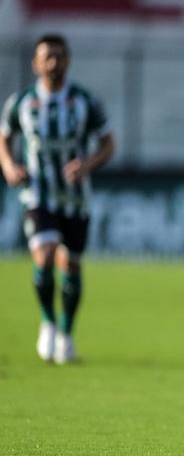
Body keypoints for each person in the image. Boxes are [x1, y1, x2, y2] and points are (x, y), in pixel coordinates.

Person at [0, 33, 115, 365]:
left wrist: (87, 164)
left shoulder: (84, 102)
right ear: (35, 63)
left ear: (68, 60)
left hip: (76, 198)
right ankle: (48, 323)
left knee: (72, 264)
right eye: (47, 56)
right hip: (37, 193)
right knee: (46, 254)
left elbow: (108, 144)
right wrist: (9, 166)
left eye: (59, 56)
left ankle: (65, 332)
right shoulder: (21, 103)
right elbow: (5, 138)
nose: (53, 62)